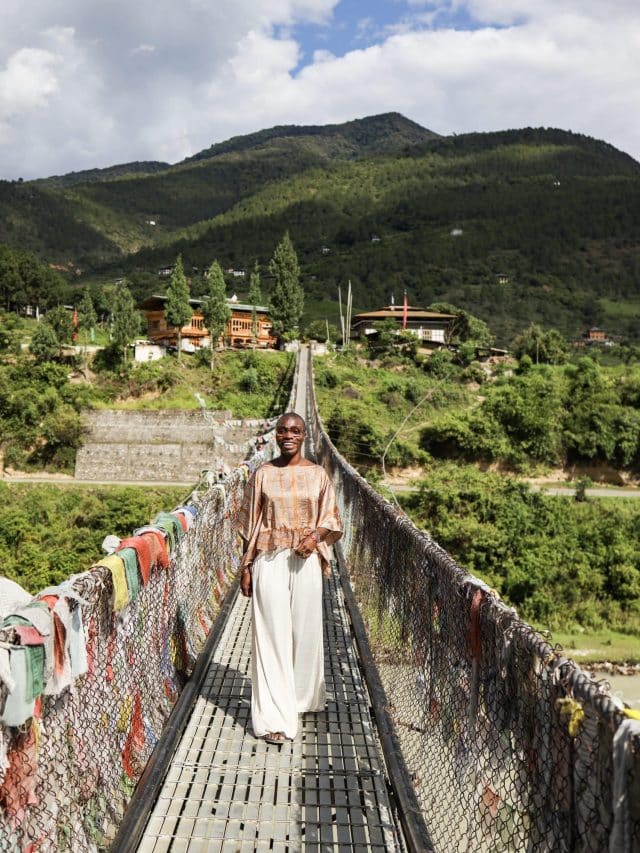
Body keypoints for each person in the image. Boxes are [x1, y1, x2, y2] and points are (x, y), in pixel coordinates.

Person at [238, 412, 343, 745]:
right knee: (271, 633)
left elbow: (331, 517)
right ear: (275, 435)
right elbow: (249, 523)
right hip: (269, 559)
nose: (288, 435)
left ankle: (302, 697)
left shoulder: (318, 475)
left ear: (305, 434)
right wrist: (246, 566)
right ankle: (274, 718)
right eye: (282, 430)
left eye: (295, 430)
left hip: (307, 559)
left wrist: (315, 537)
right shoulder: (262, 475)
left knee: (305, 629)